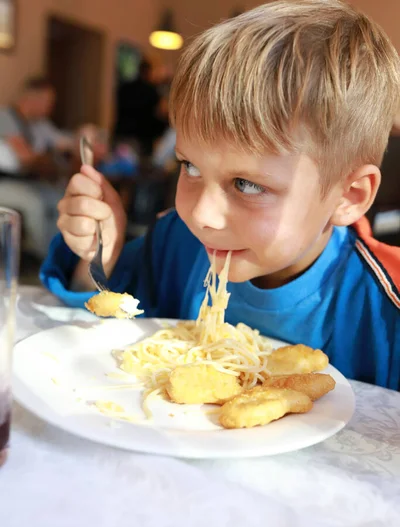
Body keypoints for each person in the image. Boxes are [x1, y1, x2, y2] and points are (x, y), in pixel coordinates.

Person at [41, 0, 400, 390]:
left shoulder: (385, 309)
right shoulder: (175, 244)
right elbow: (94, 330)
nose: (202, 215)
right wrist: (99, 257)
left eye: (246, 184)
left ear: (348, 196)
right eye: (190, 166)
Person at [0, 76, 73, 177]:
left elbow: (62, 142)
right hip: (10, 180)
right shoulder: (5, 117)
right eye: (48, 102)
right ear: (34, 99)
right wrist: (47, 160)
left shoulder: (40, 123)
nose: (50, 108)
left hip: (32, 178)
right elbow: (25, 158)